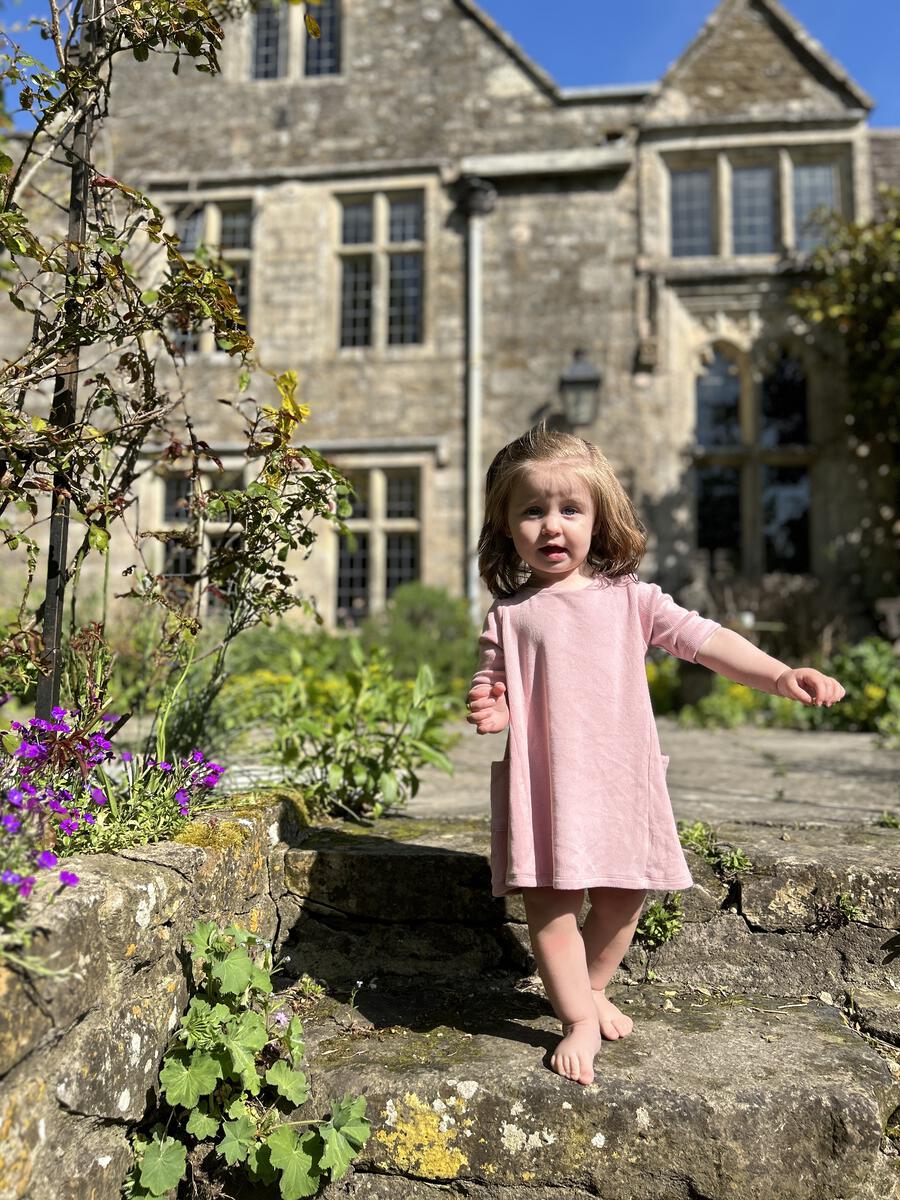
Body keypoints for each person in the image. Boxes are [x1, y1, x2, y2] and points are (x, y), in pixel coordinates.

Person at [466, 425, 845, 1086]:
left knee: (623, 899)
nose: (551, 525)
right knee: (550, 909)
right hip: (544, 787)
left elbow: (705, 640)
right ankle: (578, 1018)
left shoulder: (632, 601)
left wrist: (779, 674)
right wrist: (490, 704)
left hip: (617, 781)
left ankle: (589, 987)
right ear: (505, 526)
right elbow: (490, 680)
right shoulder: (511, 615)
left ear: (598, 517)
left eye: (569, 509)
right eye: (532, 511)